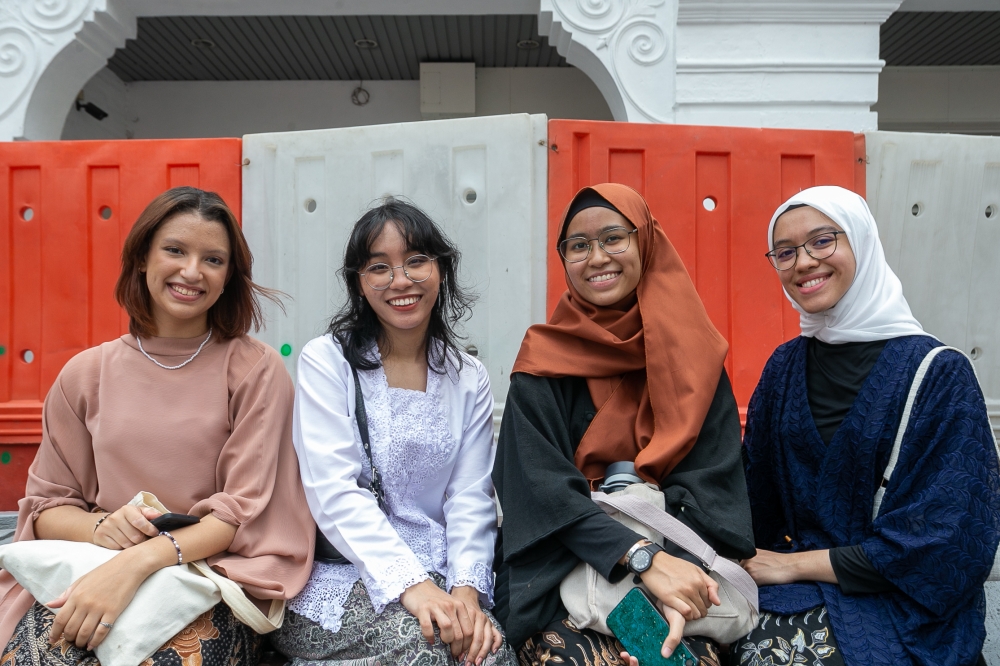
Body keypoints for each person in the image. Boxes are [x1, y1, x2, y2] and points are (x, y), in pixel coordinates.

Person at [0, 186, 315, 665]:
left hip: (209, 574)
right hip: (96, 561)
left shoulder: (255, 369)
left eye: (213, 259)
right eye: (174, 250)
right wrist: (105, 527)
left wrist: (135, 564)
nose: (192, 271)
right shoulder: (85, 374)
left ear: (229, 276)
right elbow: (46, 508)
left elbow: (236, 516)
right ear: (142, 258)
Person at [493, 183, 756, 665]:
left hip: (680, 571)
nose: (597, 257)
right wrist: (638, 557)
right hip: (562, 576)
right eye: (578, 245)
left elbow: (714, 491)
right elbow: (539, 490)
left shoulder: (696, 364)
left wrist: (671, 588)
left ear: (646, 242)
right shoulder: (542, 364)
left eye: (614, 237)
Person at [737, 185, 1000, 666]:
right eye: (785, 251)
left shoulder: (939, 373)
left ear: (861, 242)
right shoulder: (784, 367)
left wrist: (792, 565)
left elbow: (949, 538)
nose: (803, 262)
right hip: (797, 589)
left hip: (905, 607)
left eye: (822, 241)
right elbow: (754, 499)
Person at [270, 198, 516, 666]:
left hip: (441, 575)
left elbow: (470, 496)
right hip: (339, 577)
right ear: (359, 284)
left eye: (416, 262)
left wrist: (466, 592)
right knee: (426, 649)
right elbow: (333, 489)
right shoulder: (328, 361)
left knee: (490, 652)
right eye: (379, 268)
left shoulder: (467, 376)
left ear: (441, 269)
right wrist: (411, 585)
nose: (400, 281)